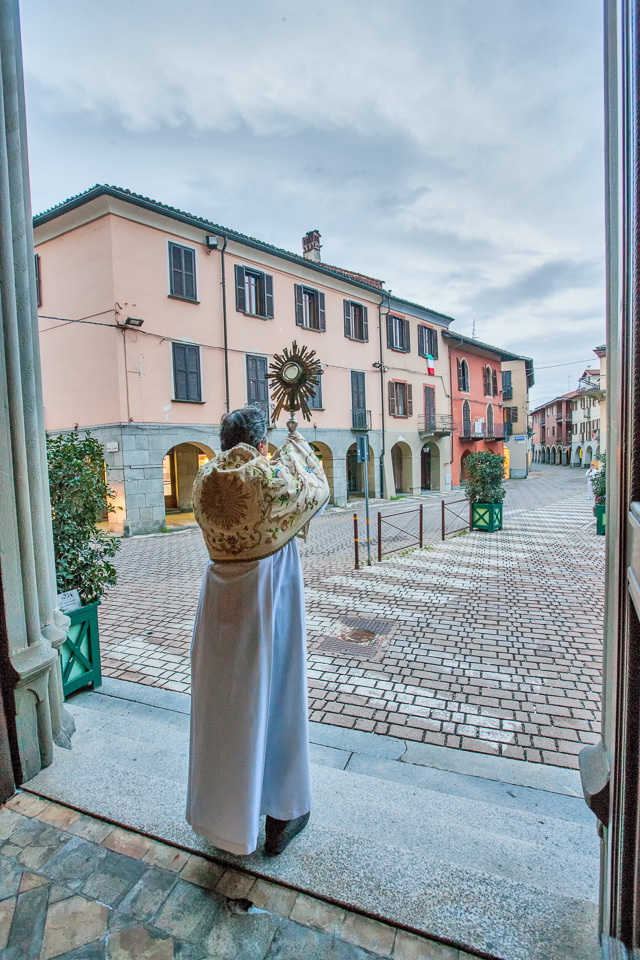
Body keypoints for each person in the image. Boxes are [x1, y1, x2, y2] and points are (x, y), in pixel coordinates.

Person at [186, 404, 330, 857]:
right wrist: (297, 443)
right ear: (260, 443)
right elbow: (317, 488)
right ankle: (281, 815)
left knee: (225, 710)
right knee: (278, 702)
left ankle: (221, 818)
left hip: (218, 606)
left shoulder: (203, 481)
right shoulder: (270, 480)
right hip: (269, 602)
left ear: (224, 442)